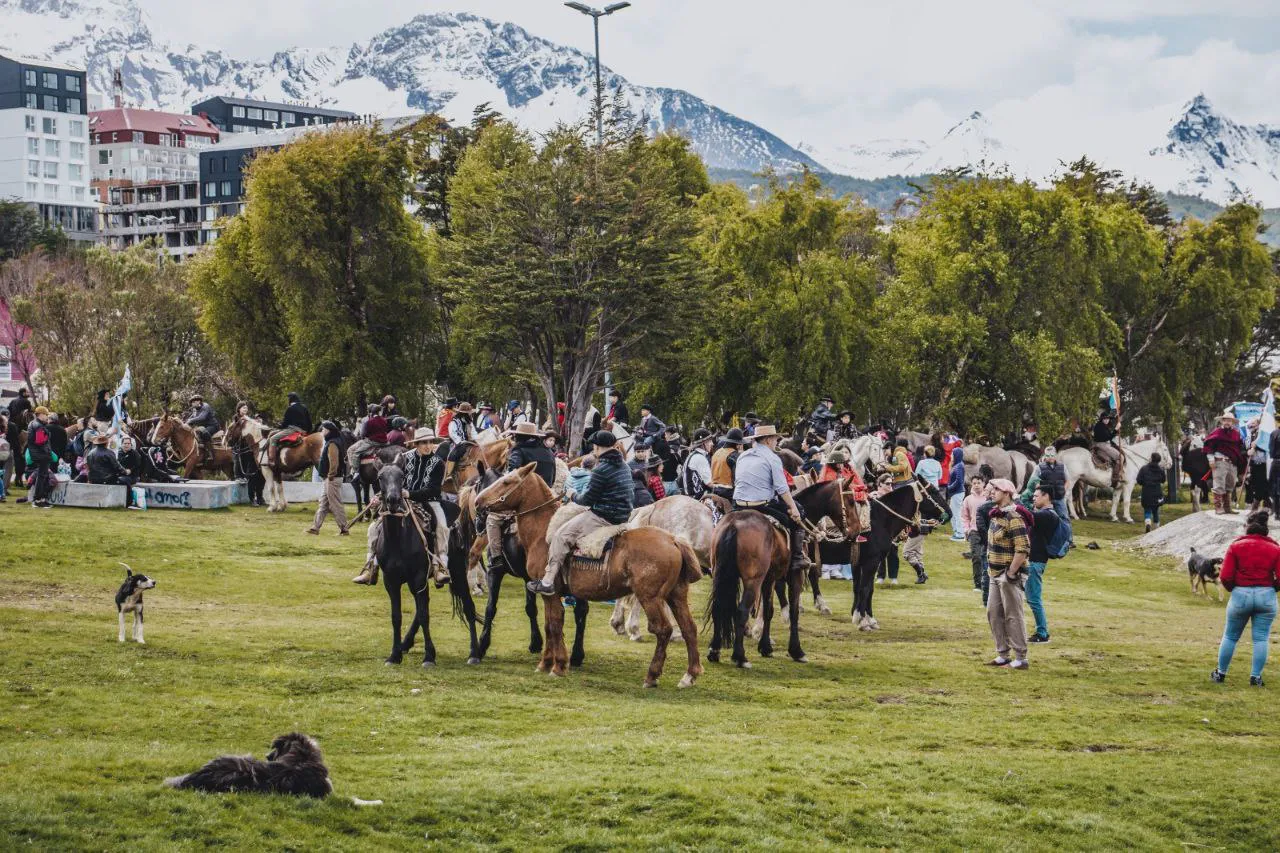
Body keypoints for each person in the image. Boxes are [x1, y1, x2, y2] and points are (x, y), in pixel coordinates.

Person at [529, 430, 633, 596]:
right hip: (624, 515)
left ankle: (548, 581)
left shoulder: (602, 469)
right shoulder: (625, 466)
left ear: (598, 447)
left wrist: (571, 494)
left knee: (560, 535)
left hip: (603, 516)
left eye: (594, 446)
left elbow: (586, 500)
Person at [353, 428, 446, 585]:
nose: (428, 446)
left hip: (430, 500)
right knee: (373, 528)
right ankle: (371, 568)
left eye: (430, 442)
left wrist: (410, 494)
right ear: (416, 444)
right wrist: (379, 497)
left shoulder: (438, 463)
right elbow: (391, 480)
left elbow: (434, 489)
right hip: (400, 500)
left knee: (443, 528)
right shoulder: (404, 458)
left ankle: (439, 567)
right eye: (424, 442)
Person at [1211, 510, 1280, 686]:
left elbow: (1225, 576)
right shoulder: (1275, 549)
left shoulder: (1236, 546)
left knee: (1231, 636)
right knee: (1261, 638)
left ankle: (1220, 673)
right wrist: (1273, 589)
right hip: (1266, 595)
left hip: (1241, 593)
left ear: (1247, 527)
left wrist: (1234, 589)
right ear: (1266, 528)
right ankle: (1255, 677)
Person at [732, 424, 811, 574]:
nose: (776, 442)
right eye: (775, 439)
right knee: (798, 513)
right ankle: (797, 557)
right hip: (760, 505)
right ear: (768, 440)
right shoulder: (772, 458)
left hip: (738, 505)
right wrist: (793, 508)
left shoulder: (743, 455)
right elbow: (782, 489)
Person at [484, 422, 558, 572]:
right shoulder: (549, 453)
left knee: (493, 519)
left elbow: (512, 477)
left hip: (526, 499)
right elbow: (553, 477)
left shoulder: (518, 451)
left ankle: (496, 558)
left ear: (518, 436)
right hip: (548, 497)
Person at [985, 478, 1031, 669]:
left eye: (996, 489)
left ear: (1007, 493)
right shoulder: (996, 515)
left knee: (1013, 615)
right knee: (994, 613)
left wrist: (1011, 572)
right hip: (994, 573)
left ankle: (1020, 657)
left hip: (1008, 575)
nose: (992, 492)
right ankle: (1003, 654)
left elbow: (1023, 548)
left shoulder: (1014, 517)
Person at [1026, 486, 1061, 644]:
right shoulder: (1046, 515)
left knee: (1034, 598)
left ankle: (1042, 633)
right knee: (1030, 597)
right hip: (1034, 560)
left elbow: (1027, 515)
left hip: (1036, 561)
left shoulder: (1047, 515)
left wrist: (1015, 500)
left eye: (1036, 496)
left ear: (1046, 496)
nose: (1034, 498)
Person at [306, 421, 349, 536]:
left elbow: (333, 462)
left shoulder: (332, 443)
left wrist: (330, 476)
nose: (322, 432)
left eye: (323, 430)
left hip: (332, 479)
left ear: (329, 431)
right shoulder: (335, 441)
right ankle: (315, 528)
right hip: (331, 478)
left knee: (335, 504)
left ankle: (344, 529)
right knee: (323, 504)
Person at [1205, 410, 1246, 515]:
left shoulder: (1236, 434)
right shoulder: (1217, 432)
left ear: (1232, 422)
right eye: (1225, 420)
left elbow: (1239, 448)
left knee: (1231, 484)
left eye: (1229, 420)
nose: (1227, 422)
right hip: (1220, 461)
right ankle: (1218, 507)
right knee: (1219, 484)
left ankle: (1227, 507)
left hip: (1232, 463)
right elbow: (1209, 445)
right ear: (1222, 421)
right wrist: (1211, 459)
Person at [85, 432, 140, 508]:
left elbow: (88, 466)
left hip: (93, 479)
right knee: (126, 482)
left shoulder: (90, 453)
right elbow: (117, 467)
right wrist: (125, 472)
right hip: (107, 479)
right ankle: (128, 503)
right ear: (106, 443)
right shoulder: (109, 453)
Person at [267, 393, 312, 468]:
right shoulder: (304, 407)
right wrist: (308, 432)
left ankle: (272, 459)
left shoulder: (290, 408)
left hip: (292, 430)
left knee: (273, 439)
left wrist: (279, 426)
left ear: (290, 400)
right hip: (304, 431)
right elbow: (309, 422)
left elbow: (285, 424)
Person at [963, 477, 989, 594]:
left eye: (979, 483)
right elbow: (965, 516)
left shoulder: (988, 499)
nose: (977, 485)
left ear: (983, 484)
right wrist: (967, 529)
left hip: (987, 531)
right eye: (974, 483)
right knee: (976, 557)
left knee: (988, 557)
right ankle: (977, 583)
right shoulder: (968, 499)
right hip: (974, 531)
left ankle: (987, 581)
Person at [25, 406, 55, 508]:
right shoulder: (39, 426)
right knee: (42, 476)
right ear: (41, 414)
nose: (47, 417)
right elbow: (40, 441)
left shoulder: (33, 424)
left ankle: (40, 498)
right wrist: (48, 436)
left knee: (42, 476)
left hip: (37, 454)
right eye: (46, 415)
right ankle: (38, 499)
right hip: (42, 454)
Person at [346, 403, 389, 472]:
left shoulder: (369, 422)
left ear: (371, 412)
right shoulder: (384, 420)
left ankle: (355, 472)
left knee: (356, 453)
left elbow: (363, 435)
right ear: (379, 412)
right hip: (385, 442)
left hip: (373, 442)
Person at [442, 402, 477, 484]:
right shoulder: (454, 422)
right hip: (457, 443)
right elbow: (452, 434)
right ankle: (449, 474)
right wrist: (460, 442)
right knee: (454, 454)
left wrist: (476, 439)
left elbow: (474, 433)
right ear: (463, 414)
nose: (470, 415)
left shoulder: (470, 422)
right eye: (469, 413)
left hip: (469, 442)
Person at [1092, 409, 1123, 488]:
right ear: (1102, 419)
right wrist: (1116, 429)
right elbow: (1107, 437)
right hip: (1101, 444)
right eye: (1105, 419)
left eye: (1107, 418)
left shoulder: (1103, 426)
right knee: (1120, 457)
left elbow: (1109, 437)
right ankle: (1116, 477)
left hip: (1105, 443)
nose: (1106, 420)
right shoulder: (1099, 426)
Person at [1136, 452, 1167, 532]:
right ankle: (1156, 527)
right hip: (1157, 492)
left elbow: (1139, 480)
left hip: (1146, 492)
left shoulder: (1144, 468)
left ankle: (1148, 523)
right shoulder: (1161, 469)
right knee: (1156, 510)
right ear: (1159, 460)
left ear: (1151, 458)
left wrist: (1144, 483)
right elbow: (1163, 480)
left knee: (1147, 509)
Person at [680, 428, 714, 499]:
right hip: (698, 498)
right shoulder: (700, 458)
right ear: (703, 443)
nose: (712, 443)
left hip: (689, 496)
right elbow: (709, 483)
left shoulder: (693, 454)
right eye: (710, 441)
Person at [709, 428, 744, 499]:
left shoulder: (717, 452)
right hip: (728, 493)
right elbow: (737, 480)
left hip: (715, 490)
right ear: (738, 444)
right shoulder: (734, 456)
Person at [1245, 419, 1270, 512]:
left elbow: (1268, 447)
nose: (1251, 425)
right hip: (1253, 465)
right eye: (1250, 423)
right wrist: (1247, 452)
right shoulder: (1247, 438)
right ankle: (1264, 507)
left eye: (1253, 423)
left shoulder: (1264, 436)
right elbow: (1243, 450)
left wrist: (1257, 446)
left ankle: (1258, 508)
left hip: (1265, 464)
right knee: (1255, 485)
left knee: (1263, 485)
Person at [653, 425, 682, 497]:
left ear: (669, 434)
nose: (665, 436)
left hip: (666, 481)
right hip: (675, 480)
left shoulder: (667, 445)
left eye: (666, 434)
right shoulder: (679, 444)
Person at [946, 446, 967, 541]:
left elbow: (959, 480)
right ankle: (957, 531)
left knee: (957, 513)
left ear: (956, 455)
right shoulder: (957, 465)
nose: (951, 455)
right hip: (955, 492)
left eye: (952, 454)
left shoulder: (959, 466)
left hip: (957, 492)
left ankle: (960, 533)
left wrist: (949, 487)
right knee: (953, 512)